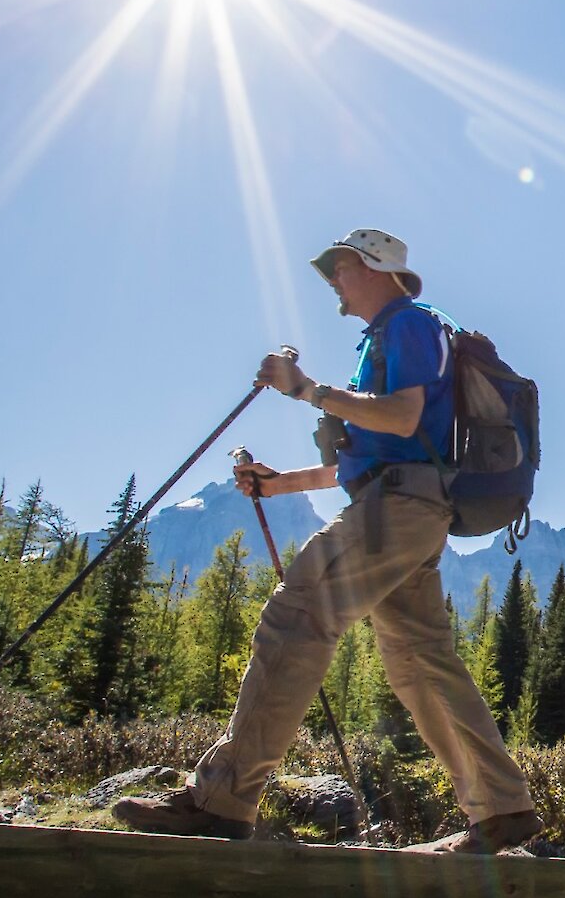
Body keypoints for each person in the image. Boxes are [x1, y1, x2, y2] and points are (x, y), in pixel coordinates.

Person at [114, 229, 542, 852]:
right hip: (407, 504)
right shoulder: (390, 335)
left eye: (339, 269)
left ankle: (222, 800)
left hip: (398, 507)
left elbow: (400, 417)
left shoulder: (410, 323)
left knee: (298, 615)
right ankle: (501, 810)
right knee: (421, 661)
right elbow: (381, 447)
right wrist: (281, 483)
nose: (333, 283)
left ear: (372, 268)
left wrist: (306, 389)